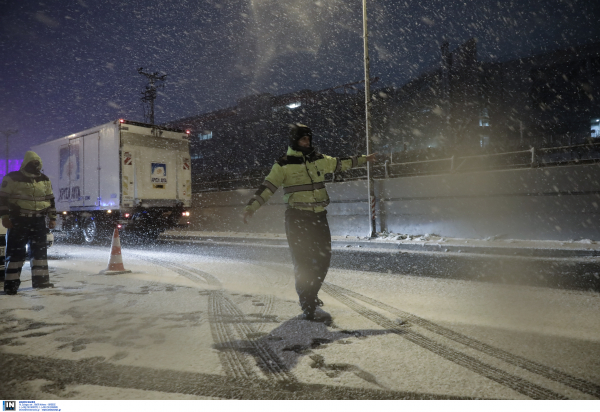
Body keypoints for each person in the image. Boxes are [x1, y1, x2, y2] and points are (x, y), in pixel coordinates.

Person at [243, 124, 376, 320]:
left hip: (318, 217)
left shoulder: (319, 160)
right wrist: (251, 207)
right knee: (303, 262)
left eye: (308, 139)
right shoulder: (283, 164)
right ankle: (307, 302)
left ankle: (311, 294)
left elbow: (341, 163)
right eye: (302, 139)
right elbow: (268, 187)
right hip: (297, 218)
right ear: (294, 141)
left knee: (323, 260)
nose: (306, 142)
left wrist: (365, 159)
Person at [0, 151, 57, 295]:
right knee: (15, 254)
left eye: (37, 163)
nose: (35, 166)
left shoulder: (44, 179)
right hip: (18, 220)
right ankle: (11, 286)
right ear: (26, 163)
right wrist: (5, 217)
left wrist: (52, 218)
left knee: (40, 253)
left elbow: (50, 200)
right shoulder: (12, 178)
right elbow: (3, 199)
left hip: (38, 221)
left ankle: (41, 282)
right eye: (33, 163)